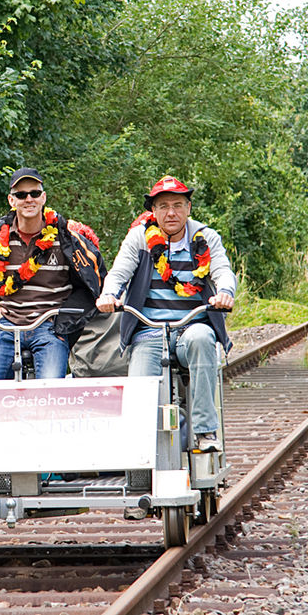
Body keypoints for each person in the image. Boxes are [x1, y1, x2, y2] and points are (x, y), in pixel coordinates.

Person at [96, 175, 236, 454]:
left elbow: (222, 270)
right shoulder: (140, 237)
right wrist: (108, 294)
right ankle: (139, 443)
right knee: (140, 384)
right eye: (162, 206)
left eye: (177, 205)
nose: (170, 212)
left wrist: (225, 292)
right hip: (149, 329)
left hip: (192, 325)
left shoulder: (205, 237)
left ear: (188, 208)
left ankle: (205, 432)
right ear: (153, 211)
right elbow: (119, 272)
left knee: (202, 341)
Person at [0, 167, 106, 380]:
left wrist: (66, 319)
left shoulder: (66, 238)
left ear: (43, 198)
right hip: (6, 324)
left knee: (51, 390)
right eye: (21, 195)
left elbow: (96, 277)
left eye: (34, 193)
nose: (28, 199)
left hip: (50, 326)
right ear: (11, 200)